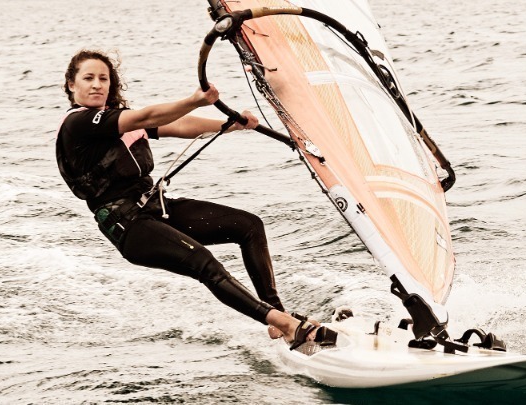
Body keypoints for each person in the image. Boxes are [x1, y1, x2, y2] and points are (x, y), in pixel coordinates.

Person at [56, 49, 335, 349]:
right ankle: (287, 325)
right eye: (88, 78)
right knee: (204, 262)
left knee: (249, 226)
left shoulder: (116, 119)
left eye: (103, 78)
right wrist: (195, 99)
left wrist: (230, 125)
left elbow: (178, 125)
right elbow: (148, 116)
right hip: (129, 227)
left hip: (154, 207)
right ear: (72, 84)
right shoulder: (79, 123)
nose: (97, 85)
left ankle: (279, 318)